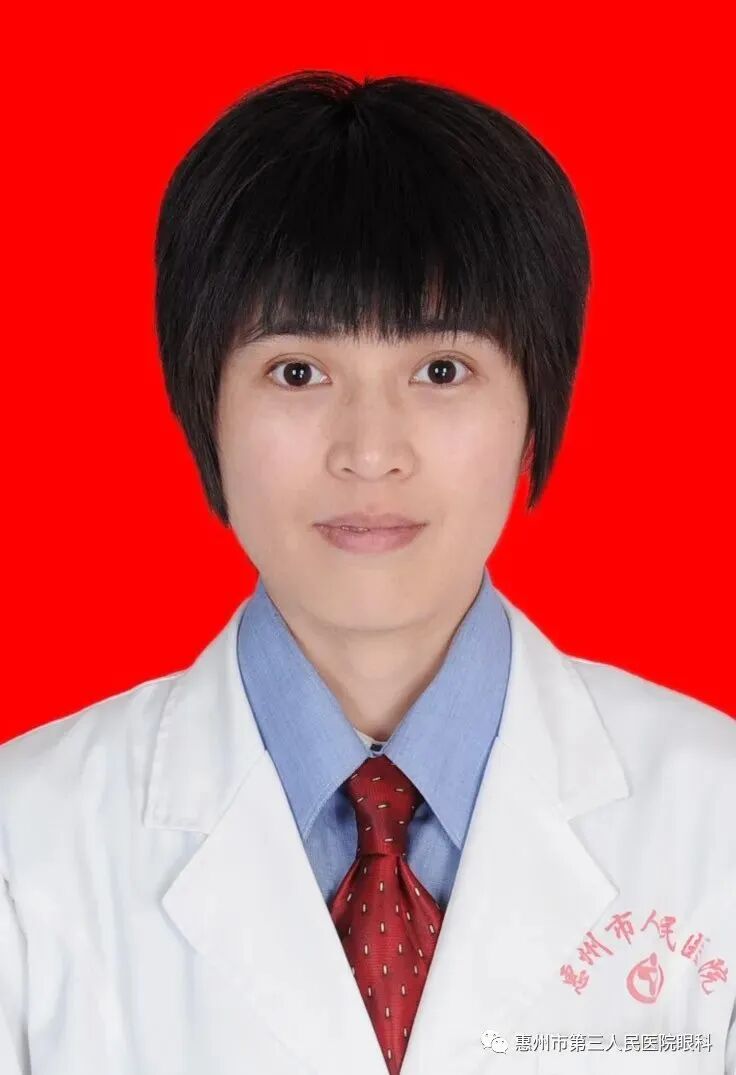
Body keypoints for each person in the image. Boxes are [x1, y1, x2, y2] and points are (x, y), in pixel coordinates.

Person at [1, 69, 734, 1075]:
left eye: (441, 370)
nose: (370, 451)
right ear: (202, 402)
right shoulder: (26, 850)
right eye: (297, 371)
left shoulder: (714, 824)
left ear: (536, 399)